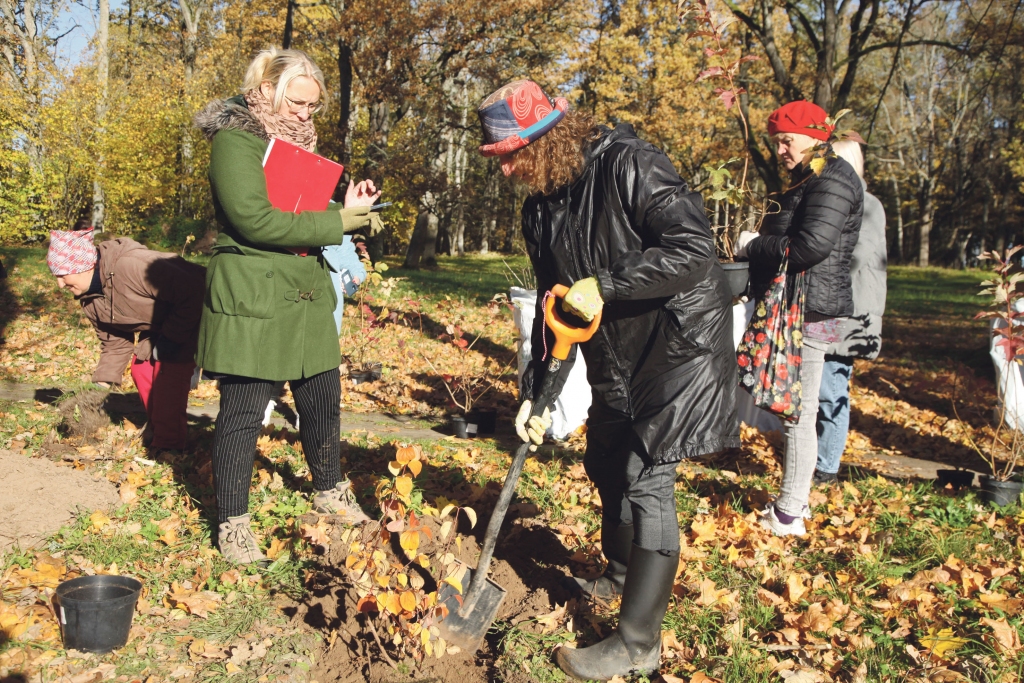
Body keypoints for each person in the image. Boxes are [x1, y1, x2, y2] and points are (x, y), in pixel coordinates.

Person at [478, 79, 738, 681]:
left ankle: (639, 642)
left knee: (646, 477)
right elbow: (554, 308)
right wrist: (538, 393)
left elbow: (694, 249)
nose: (507, 171)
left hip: (678, 345)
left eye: (512, 156)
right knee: (605, 460)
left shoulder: (629, 164)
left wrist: (610, 283)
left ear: (546, 140)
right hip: (616, 352)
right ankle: (619, 577)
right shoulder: (539, 208)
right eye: (499, 160)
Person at [193, 47, 383, 565]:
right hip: (254, 290)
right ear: (267, 90)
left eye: (312, 106)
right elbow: (253, 219)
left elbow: (298, 207)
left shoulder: (298, 142)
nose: (304, 114)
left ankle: (330, 490)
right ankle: (233, 523)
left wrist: (347, 207)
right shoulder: (236, 139)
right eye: (295, 103)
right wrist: (339, 224)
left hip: (306, 288)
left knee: (322, 396)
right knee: (244, 410)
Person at [733, 101, 864, 536]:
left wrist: (753, 245)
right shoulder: (814, 175)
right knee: (794, 410)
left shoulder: (833, 178)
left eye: (787, 140)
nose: (780, 150)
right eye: (776, 142)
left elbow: (809, 247)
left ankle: (790, 512)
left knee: (797, 414)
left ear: (815, 136)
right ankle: (793, 504)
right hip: (798, 305)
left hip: (809, 310)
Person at [48, 220, 205, 451]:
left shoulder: (130, 266)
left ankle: (169, 447)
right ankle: (161, 429)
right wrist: (99, 387)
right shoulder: (90, 301)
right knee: (141, 368)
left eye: (63, 275)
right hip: (164, 324)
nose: (60, 284)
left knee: (166, 375)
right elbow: (115, 344)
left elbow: (195, 290)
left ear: (83, 265)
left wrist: (170, 340)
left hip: (198, 313)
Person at [813, 139, 887, 485]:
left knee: (831, 389)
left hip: (849, 311)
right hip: (830, 305)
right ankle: (814, 461)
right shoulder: (831, 200)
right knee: (818, 388)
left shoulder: (868, 205)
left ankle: (826, 469)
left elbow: (854, 256)